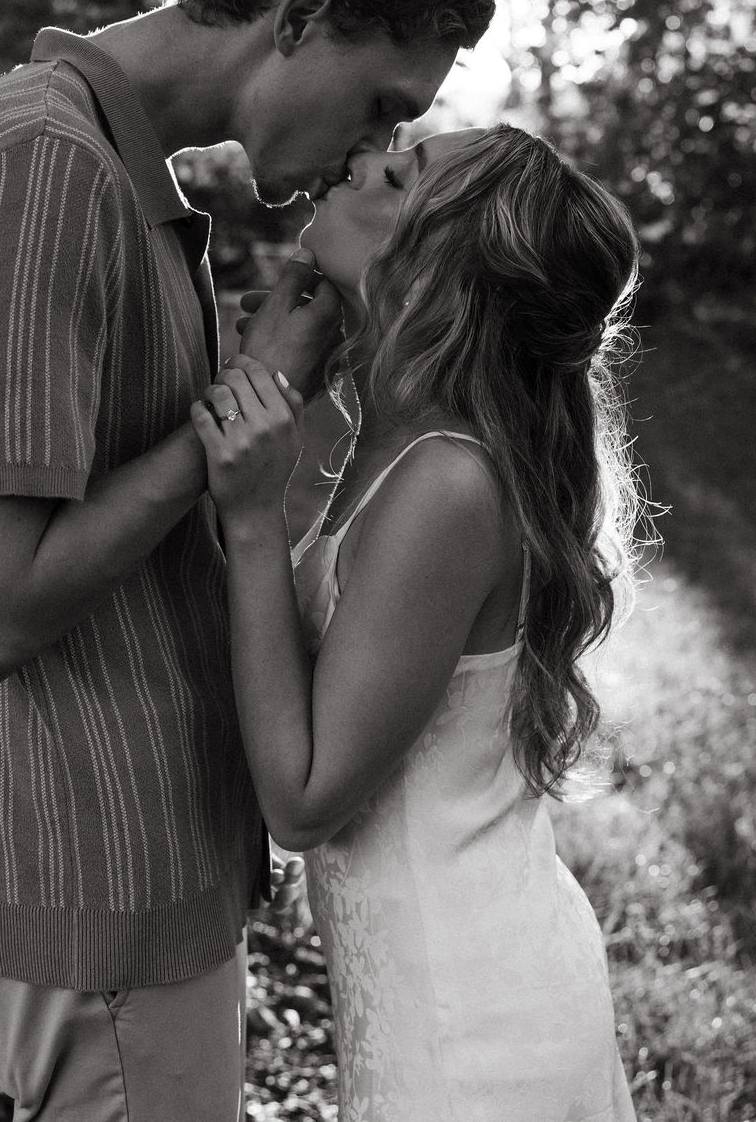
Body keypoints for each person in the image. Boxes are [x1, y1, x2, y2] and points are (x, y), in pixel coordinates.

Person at [0, 0, 496, 1122]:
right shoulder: (42, 172)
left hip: (123, 857)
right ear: (300, 15)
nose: (376, 149)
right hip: (92, 864)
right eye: (380, 104)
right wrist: (242, 406)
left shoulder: (110, 173)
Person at [192, 124, 641, 1121]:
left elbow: (304, 801)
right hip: (439, 995)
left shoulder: (445, 481)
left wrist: (253, 518)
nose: (357, 158)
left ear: (436, 272)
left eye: (397, 177)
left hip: (474, 1030)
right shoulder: (411, 442)